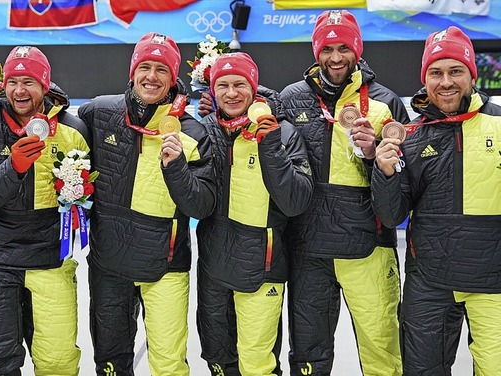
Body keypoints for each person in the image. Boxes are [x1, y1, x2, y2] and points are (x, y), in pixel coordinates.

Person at [279, 10, 409, 375]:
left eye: (344, 48)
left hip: (369, 247)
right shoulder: (293, 98)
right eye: (327, 48)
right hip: (309, 249)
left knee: (383, 353)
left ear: (358, 49)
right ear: (316, 51)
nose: (336, 58)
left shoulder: (386, 103)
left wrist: (372, 157)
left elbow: (403, 181)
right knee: (308, 357)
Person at [77, 32, 216, 376]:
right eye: (145, 67)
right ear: (132, 72)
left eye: (161, 69)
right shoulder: (99, 112)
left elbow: (202, 207)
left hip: (165, 266)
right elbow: (62, 132)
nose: (151, 76)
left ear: (173, 78)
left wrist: (178, 169)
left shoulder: (192, 132)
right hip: (108, 265)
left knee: (168, 366)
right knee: (110, 364)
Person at [372, 26, 501, 375]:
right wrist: (384, 173)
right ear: (425, 79)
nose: (446, 82)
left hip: (492, 279)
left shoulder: (499, 124)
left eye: (456, 71)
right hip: (429, 281)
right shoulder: (411, 137)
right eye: (436, 72)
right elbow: (391, 212)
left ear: (472, 75)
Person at [0, 46, 90, 375]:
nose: (20, 90)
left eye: (29, 81)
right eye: (13, 81)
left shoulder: (72, 129)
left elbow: (93, 195)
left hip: (50, 258)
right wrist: (14, 167)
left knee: (58, 363)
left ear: (45, 85)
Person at [196, 52, 313, 376]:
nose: (231, 93)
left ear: (253, 87)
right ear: (212, 89)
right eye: (223, 85)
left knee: (257, 364)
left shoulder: (284, 132)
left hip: (263, 267)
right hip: (214, 267)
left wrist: (270, 145)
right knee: (218, 359)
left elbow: (295, 202)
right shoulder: (203, 129)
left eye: (239, 84)